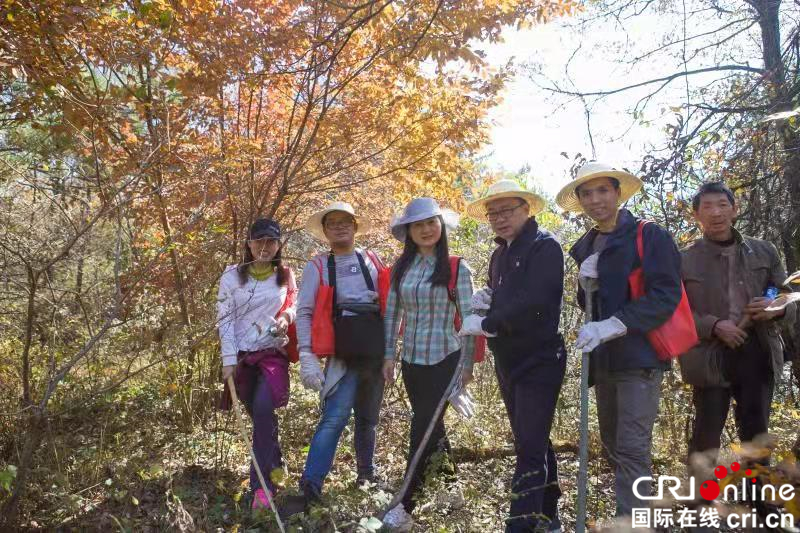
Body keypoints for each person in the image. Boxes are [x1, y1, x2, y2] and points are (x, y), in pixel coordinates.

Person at [555, 162, 683, 518]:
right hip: (605, 360)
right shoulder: (587, 244)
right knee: (613, 446)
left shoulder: (649, 235)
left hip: (640, 357)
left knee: (631, 449)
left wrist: (615, 323)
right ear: (579, 200)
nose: (595, 200)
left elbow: (665, 295)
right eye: (586, 193)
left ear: (618, 193)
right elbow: (591, 305)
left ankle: (635, 523)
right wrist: (584, 286)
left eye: (603, 191)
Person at [459, 179, 566, 532]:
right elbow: (509, 294)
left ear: (526, 210)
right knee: (530, 438)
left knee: (529, 447)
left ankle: (520, 525)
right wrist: (487, 296)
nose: (500, 218)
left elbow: (538, 300)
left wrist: (489, 322)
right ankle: (549, 515)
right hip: (508, 360)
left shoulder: (544, 247)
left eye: (507, 211)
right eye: (493, 213)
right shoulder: (499, 254)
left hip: (540, 359)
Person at [680, 182, 797, 470]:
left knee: (756, 433)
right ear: (696, 215)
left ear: (735, 209)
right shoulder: (685, 258)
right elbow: (676, 311)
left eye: (722, 204)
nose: (716, 212)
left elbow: (782, 291)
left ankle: (756, 503)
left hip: (756, 348)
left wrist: (775, 307)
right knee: (706, 434)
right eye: (707, 207)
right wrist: (715, 325)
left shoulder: (764, 251)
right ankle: (700, 506)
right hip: (709, 354)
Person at [381, 198, 475, 531]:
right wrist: (388, 355)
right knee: (432, 424)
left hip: (446, 358)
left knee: (421, 424)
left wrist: (468, 365)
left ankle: (405, 505)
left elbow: (470, 319)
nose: (426, 229)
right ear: (408, 231)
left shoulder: (456, 267)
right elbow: (392, 314)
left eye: (431, 222)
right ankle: (451, 488)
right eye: (418, 224)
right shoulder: (400, 269)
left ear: (440, 225)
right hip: (412, 359)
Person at [293, 202, 389, 508]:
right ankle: (311, 483)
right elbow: (305, 312)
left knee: (368, 419)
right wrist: (306, 354)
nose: (339, 226)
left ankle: (367, 475)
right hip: (341, 354)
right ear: (324, 231)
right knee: (334, 418)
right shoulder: (318, 266)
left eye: (345, 221)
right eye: (331, 222)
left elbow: (393, 302)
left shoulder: (372, 259)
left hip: (374, 350)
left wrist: (392, 352)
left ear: (355, 225)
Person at [217, 218, 297, 510]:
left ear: (278, 245)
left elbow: (293, 302)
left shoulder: (285, 275)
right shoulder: (231, 277)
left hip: (272, 354)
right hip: (241, 357)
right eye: (259, 241)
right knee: (260, 417)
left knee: (264, 409)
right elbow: (224, 322)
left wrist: (286, 317)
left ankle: (262, 488)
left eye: (271, 242)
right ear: (248, 244)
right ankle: (276, 463)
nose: (265, 247)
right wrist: (228, 362)